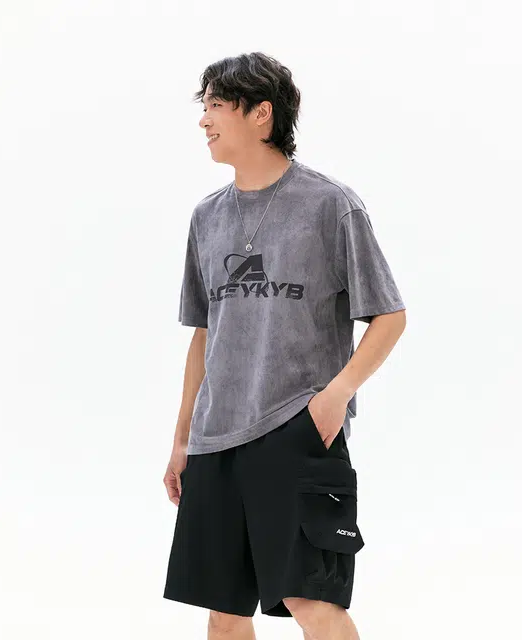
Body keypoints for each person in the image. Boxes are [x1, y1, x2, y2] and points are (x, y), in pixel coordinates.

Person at [163, 51, 407, 640]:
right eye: (204, 107)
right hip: (215, 440)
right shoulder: (206, 217)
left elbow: (389, 316)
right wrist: (182, 438)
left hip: (295, 431)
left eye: (216, 105)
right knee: (224, 613)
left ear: (261, 113)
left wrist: (336, 396)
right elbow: (204, 333)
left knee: (311, 601)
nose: (204, 119)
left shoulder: (330, 205)